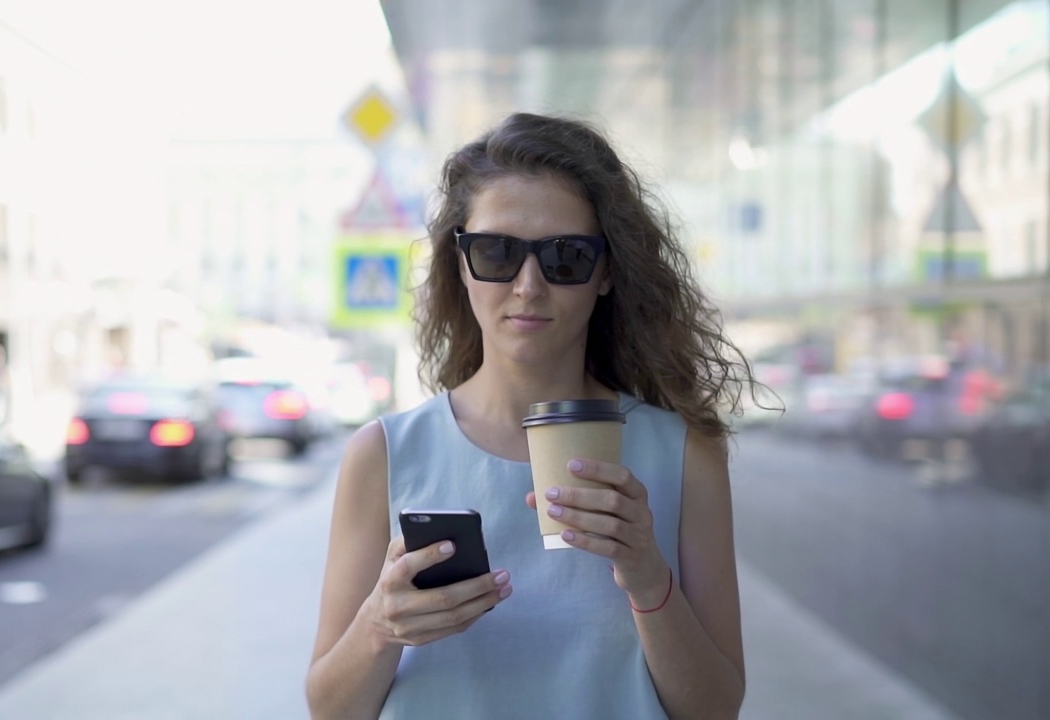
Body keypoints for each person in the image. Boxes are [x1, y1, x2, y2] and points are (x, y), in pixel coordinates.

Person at [306, 113, 751, 720]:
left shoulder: (682, 454)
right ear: (461, 263)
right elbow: (329, 710)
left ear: (607, 272)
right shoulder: (383, 453)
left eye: (566, 256)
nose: (528, 284)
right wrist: (379, 626)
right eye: (496, 252)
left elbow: (716, 709)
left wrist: (649, 580)